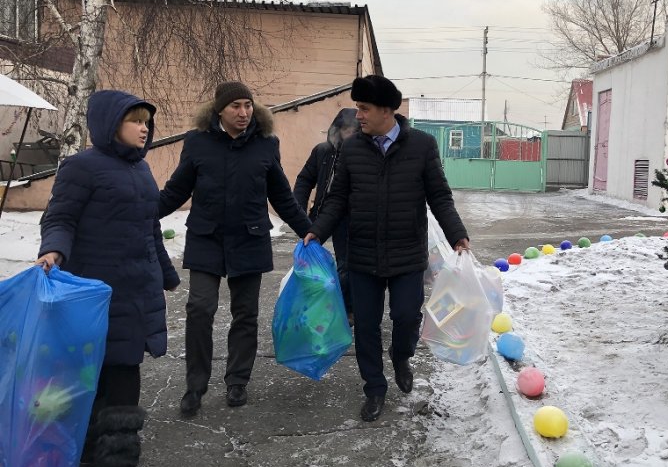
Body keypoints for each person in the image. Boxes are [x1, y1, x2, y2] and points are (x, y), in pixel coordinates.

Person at [37, 90, 180, 467]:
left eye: (146, 122)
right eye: (135, 121)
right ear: (110, 125)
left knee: (119, 373)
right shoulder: (81, 167)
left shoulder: (142, 169)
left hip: (135, 292)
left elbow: (150, 228)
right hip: (94, 292)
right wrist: (53, 250)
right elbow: (60, 217)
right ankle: (99, 456)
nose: (144, 129)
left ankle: (110, 462)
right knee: (97, 376)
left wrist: (165, 273)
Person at [304, 75, 469, 422]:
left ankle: (401, 355)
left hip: (407, 254)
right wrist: (317, 231)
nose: (358, 116)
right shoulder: (352, 148)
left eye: (364, 109)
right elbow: (337, 199)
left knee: (407, 317)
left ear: (386, 111)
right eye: (358, 108)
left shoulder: (422, 146)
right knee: (365, 326)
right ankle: (375, 389)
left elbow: (439, 196)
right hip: (363, 254)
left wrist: (457, 234)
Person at [158, 82, 311, 418]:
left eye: (248, 105)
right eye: (235, 106)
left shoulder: (266, 144)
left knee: (245, 314)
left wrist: (309, 230)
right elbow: (176, 190)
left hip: (249, 239)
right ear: (219, 110)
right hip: (206, 238)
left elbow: (281, 196)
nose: (243, 113)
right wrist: (142, 214)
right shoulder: (197, 142)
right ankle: (195, 386)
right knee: (199, 309)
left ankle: (238, 380)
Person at [293, 108, 359, 325]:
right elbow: (305, 179)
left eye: (354, 130)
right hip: (321, 215)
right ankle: (307, 304)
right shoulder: (322, 151)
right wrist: (298, 209)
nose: (349, 133)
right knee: (307, 259)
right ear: (337, 129)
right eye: (345, 129)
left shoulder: (362, 154)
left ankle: (348, 309)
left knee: (345, 264)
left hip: (349, 218)